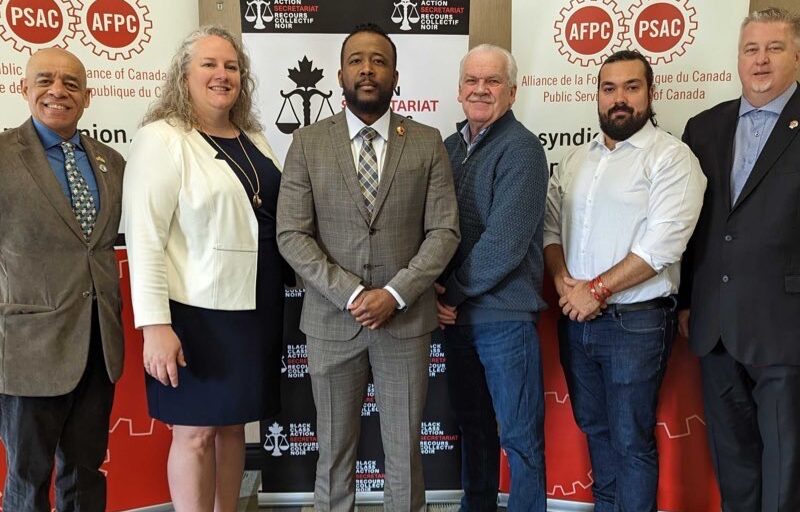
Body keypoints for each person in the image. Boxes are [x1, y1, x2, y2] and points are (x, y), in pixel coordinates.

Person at [276, 23, 459, 512]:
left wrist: (395, 294)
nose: (367, 69)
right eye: (357, 59)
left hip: (405, 322)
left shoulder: (426, 142)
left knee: (404, 452)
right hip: (334, 324)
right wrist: (354, 294)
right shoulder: (308, 143)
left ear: (396, 75)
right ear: (340, 74)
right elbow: (292, 234)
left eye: (378, 60)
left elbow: (444, 232)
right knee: (333, 453)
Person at [122, 26, 286, 511]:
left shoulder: (254, 136)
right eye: (209, 65)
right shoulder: (162, 138)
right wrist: (155, 326)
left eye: (231, 66)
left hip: (254, 307)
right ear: (183, 75)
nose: (222, 75)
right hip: (193, 313)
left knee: (233, 426)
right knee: (195, 433)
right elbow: (144, 238)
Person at [543, 50, 706, 512]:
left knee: (631, 442)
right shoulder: (578, 160)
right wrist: (563, 283)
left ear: (650, 94)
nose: (619, 99)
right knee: (596, 432)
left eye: (631, 88)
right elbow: (550, 230)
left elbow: (663, 247)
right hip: (576, 322)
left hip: (635, 325)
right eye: (609, 88)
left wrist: (594, 291)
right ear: (596, 95)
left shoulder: (672, 158)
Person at [679, 8, 800, 511]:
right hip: (715, 327)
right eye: (751, 49)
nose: (761, 60)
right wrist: (686, 301)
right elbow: (686, 226)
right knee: (735, 466)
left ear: (797, 55)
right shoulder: (704, 127)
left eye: (774, 48)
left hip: (785, 327)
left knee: (786, 471)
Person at [0, 48, 124, 511]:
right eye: (45, 80)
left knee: (85, 474)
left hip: (97, 345)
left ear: (88, 97)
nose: (58, 90)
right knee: (27, 480)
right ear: (23, 89)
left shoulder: (112, 162)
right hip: (28, 350)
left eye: (71, 83)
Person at [436, 44, 549, 512]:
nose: (481, 89)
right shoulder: (448, 147)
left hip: (503, 317)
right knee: (474, 431)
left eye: (493, 81)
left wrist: (453, 292)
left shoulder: (522, 149)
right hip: (457, 319)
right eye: (472, 80)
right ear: (460, 89)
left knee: (520, 439)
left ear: (513, 91)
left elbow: (505, 241)